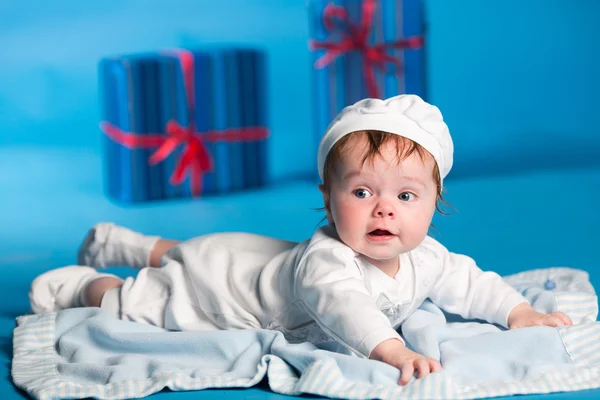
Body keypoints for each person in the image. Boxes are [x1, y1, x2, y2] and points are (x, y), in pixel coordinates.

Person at [29, 95, 573, 385]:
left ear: (435, 202)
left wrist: (518, 312)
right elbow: (347, 309)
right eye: (362, 191)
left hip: (245, 254)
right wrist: (392, 349)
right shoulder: (327, 264)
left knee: (187, 251)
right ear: (327, 195)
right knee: (154, 294)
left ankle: (132, 243)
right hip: (223, 290)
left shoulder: (428, 257)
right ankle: (91, 282)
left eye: (406, 197)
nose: (384, 207)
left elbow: (471, 283)